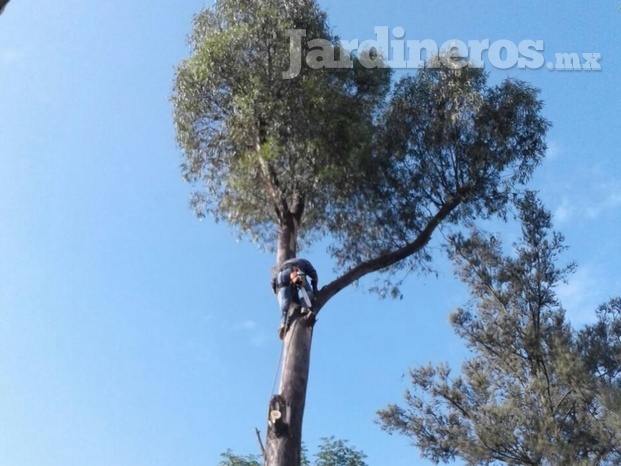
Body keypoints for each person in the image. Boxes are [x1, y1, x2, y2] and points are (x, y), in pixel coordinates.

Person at [272, 258, 318, 338]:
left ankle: (283, 323)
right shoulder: (306, 262)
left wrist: (277, 291)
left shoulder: (284, 264)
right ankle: (304, 307)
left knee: (285, 300)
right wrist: (315, 288)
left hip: (281, 275)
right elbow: (314, 276)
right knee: (308, 292)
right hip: (295, 270)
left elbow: (273, 282)